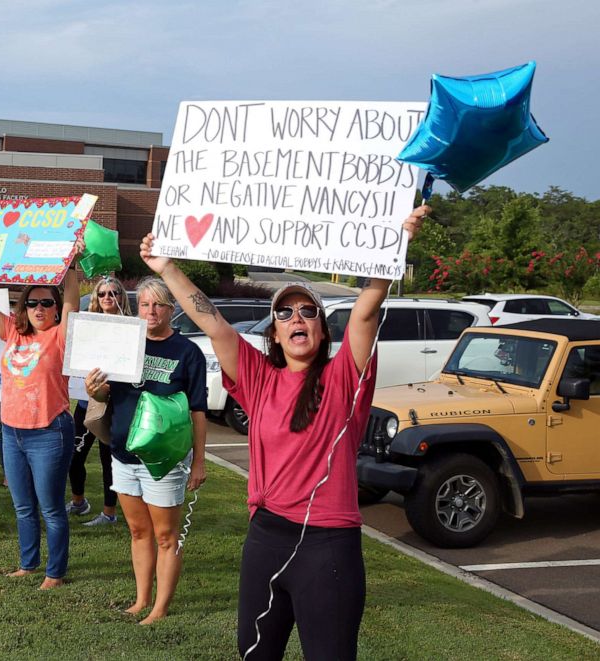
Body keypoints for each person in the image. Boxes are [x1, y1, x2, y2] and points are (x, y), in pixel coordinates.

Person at [138, 206, 426, 659]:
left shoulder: (343, 378)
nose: (297, 319)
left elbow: (368, 311)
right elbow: (212, 321)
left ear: (320, 327)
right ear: (273, 332)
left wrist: (395, 245)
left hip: (329, 546)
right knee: (253, 652)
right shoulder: (258, 378)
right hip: (267, 538)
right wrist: (167, 269)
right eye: (285, 313)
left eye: (308, 311)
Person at [84, 277, 207, 624]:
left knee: (166, 536)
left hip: (164, 460)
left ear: (171, 309)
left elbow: (198, 410)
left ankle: (160, 607)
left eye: (159, 304)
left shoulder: (188, 353)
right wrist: (95, 391)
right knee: (138, 531)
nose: (151, 311)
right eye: (145, 304)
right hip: (123, 454)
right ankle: (142, 599)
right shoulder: (124, 342)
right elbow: (109, 395)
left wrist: (198, 461)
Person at [0, 262, 80, 589]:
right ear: (23, 308)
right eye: (32, 303)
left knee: (51, 507)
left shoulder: (60, 336)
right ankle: (28, 564)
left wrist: (70, 268)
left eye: (47, 303)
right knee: (23, 505)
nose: (39, 308)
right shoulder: (12, 331)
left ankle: (54, 573)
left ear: (56, 309)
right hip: (12, 432)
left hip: (49, 432)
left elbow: (73, 300)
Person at [67, 277, 129, 526]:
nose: (107, 298)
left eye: (113, 293)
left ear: (120, 297)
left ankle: (109, 512)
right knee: (73, 456)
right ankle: (79, 501)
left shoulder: (130, 328)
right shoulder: (86, 326)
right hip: (85, 403)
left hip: (114, 407)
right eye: (102, 293)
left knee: (108, 461)